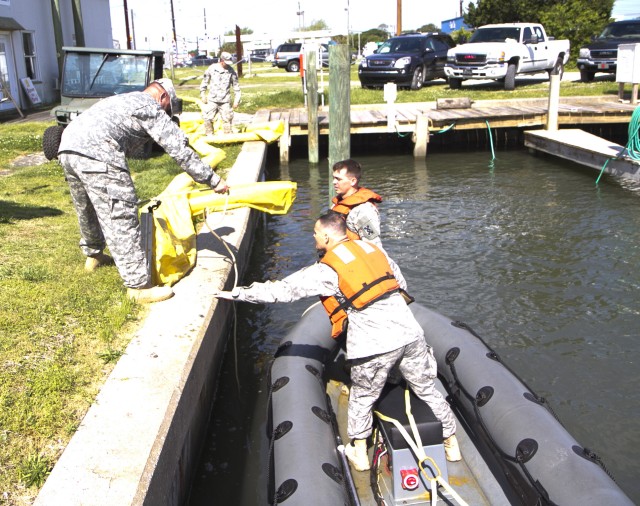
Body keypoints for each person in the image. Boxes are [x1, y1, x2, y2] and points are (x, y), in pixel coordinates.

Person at [214, 212, 461, 471]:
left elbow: (283, 291)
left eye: (315, 234)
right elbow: (399, 283)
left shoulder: (326, 270)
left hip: (374, 344)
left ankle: (360, 452)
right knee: (426, 388)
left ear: (327, 236)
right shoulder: (373, 249)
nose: (313, 237)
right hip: (410, 333)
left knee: (363, 396)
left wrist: (238, 293)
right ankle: (450, 442)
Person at [58, 78, 229, 304]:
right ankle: (138, 287)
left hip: (68, 147)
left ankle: (94, 255)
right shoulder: (151, 107)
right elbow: (179, 149)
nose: (167, 115)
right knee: (120, 214)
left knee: (86, 207)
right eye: (168, 110)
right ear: (163, 97)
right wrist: (213, 180)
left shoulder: (124, 99)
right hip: (99, 152)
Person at [331, 159, 383, 247]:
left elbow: (373, 246)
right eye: (334, 178)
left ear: (353, 181)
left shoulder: (364, 210)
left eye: (338, 179)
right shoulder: (337, 203)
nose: (334, 182)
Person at [200, 51, 241, 135]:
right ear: (221, 60)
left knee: (227, 119)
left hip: (225, 100)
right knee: (207, 118)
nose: (227, 64)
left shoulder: (231, 71)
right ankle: (209, 135)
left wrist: (237, 100)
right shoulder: (212, 68)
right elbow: (204, 81)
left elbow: (236, 87)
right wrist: (203, 94)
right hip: (212, 99)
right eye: (225, 62)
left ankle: (228, 138)